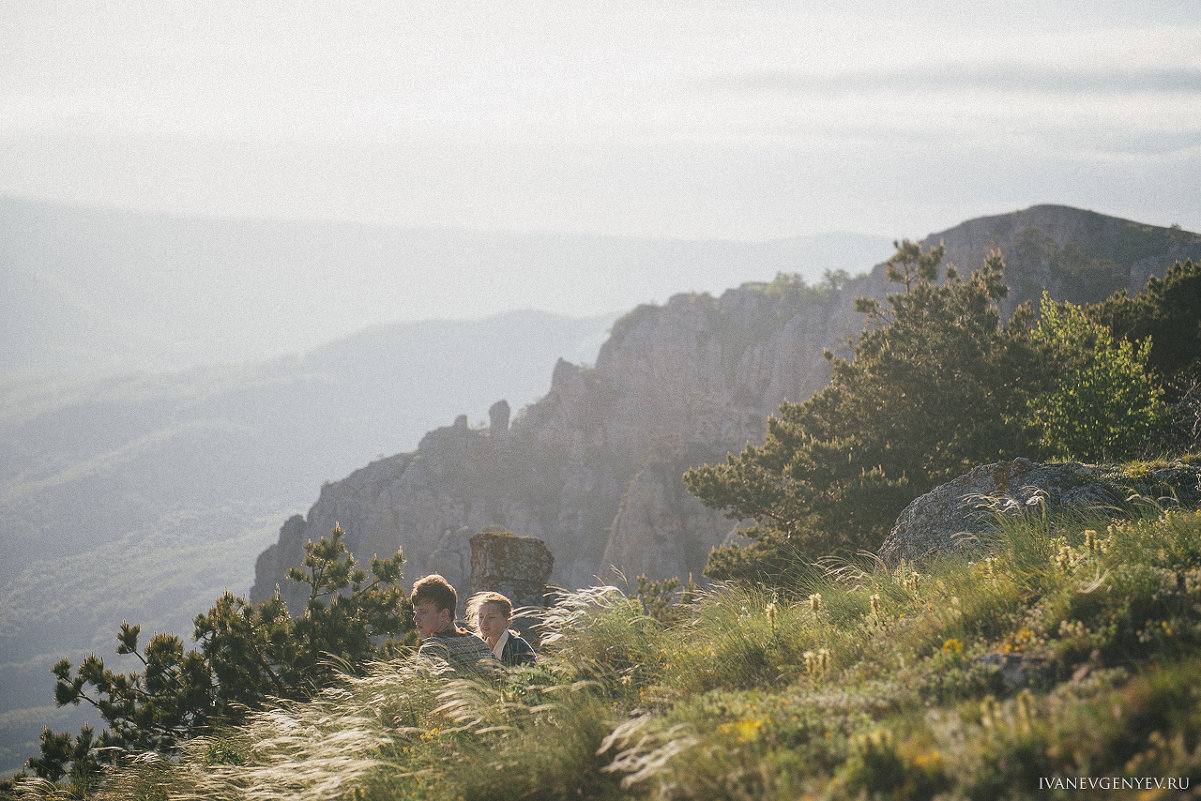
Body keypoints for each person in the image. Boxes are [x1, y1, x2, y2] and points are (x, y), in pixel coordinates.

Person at [410, 574, 493, 673]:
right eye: (415, 612)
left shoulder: (431, 649)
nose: (415, 618)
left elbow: (421, 687)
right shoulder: (480, 644)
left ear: (444, 614)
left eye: (423, 612)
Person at [467, 591, 536, 667]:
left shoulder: (519, 648)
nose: (484, 622)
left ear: (506, 621)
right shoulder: (477, 645)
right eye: (481, 617)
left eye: (491, 617)